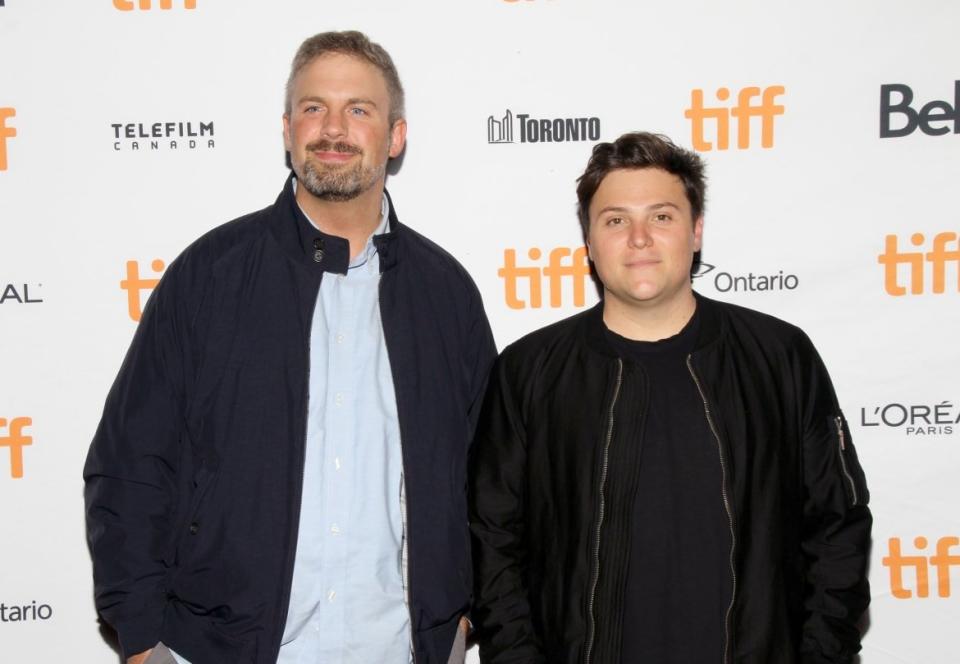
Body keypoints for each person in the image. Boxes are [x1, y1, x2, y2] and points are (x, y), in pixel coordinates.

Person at [84, 30, 495, 664]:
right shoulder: (209, 276)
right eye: (313, 108)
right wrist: (141, 639)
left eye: (358, 109)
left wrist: (459, 621)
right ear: (286, 129)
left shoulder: (446, 296)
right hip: (223, 648)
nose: (333, 128)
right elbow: (131, 464)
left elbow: (487, 484)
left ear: (395, 136)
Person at [469, 132, 871, 663]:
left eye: (661, 216)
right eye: (615, 220)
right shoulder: (529, 372)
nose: (639, 238)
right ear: (589, 241)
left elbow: (837, 527)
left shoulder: (780, 358)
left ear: (696, 231)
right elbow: (494, 542)